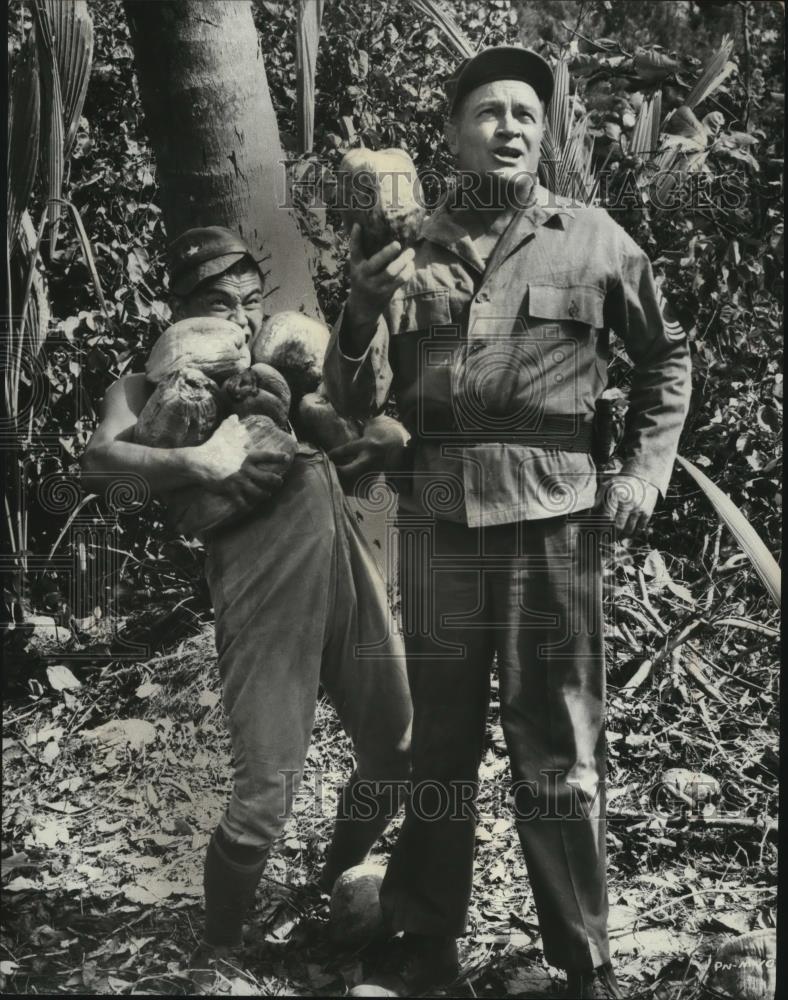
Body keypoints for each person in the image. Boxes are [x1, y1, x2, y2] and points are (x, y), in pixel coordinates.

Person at [323, 46, 692, 999]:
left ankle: (584, 961)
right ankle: (421, 942)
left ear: (543, 132)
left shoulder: (594, 237)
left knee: (558, 745)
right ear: (454, 133)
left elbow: (667, 358)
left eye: (527, 112)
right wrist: (360, 310)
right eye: (489, 110)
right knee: (439, 742)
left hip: (554, 517)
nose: (512, 126)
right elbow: (350, 399)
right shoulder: (408, 250)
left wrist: (645, 470)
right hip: (440, 516)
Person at [80, 226, 413, 977]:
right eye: (217, 302)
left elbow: (366, 414)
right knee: (266, 792)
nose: (237, 316)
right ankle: (223, 946)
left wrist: (384, 436)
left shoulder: (285, 360)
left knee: (396, 753)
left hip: (347, 557)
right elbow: (101, 460)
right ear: (180, 308)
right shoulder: (150, 386)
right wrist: (197, 457)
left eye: (249, 301)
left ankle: (333, 885)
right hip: (263, 583)